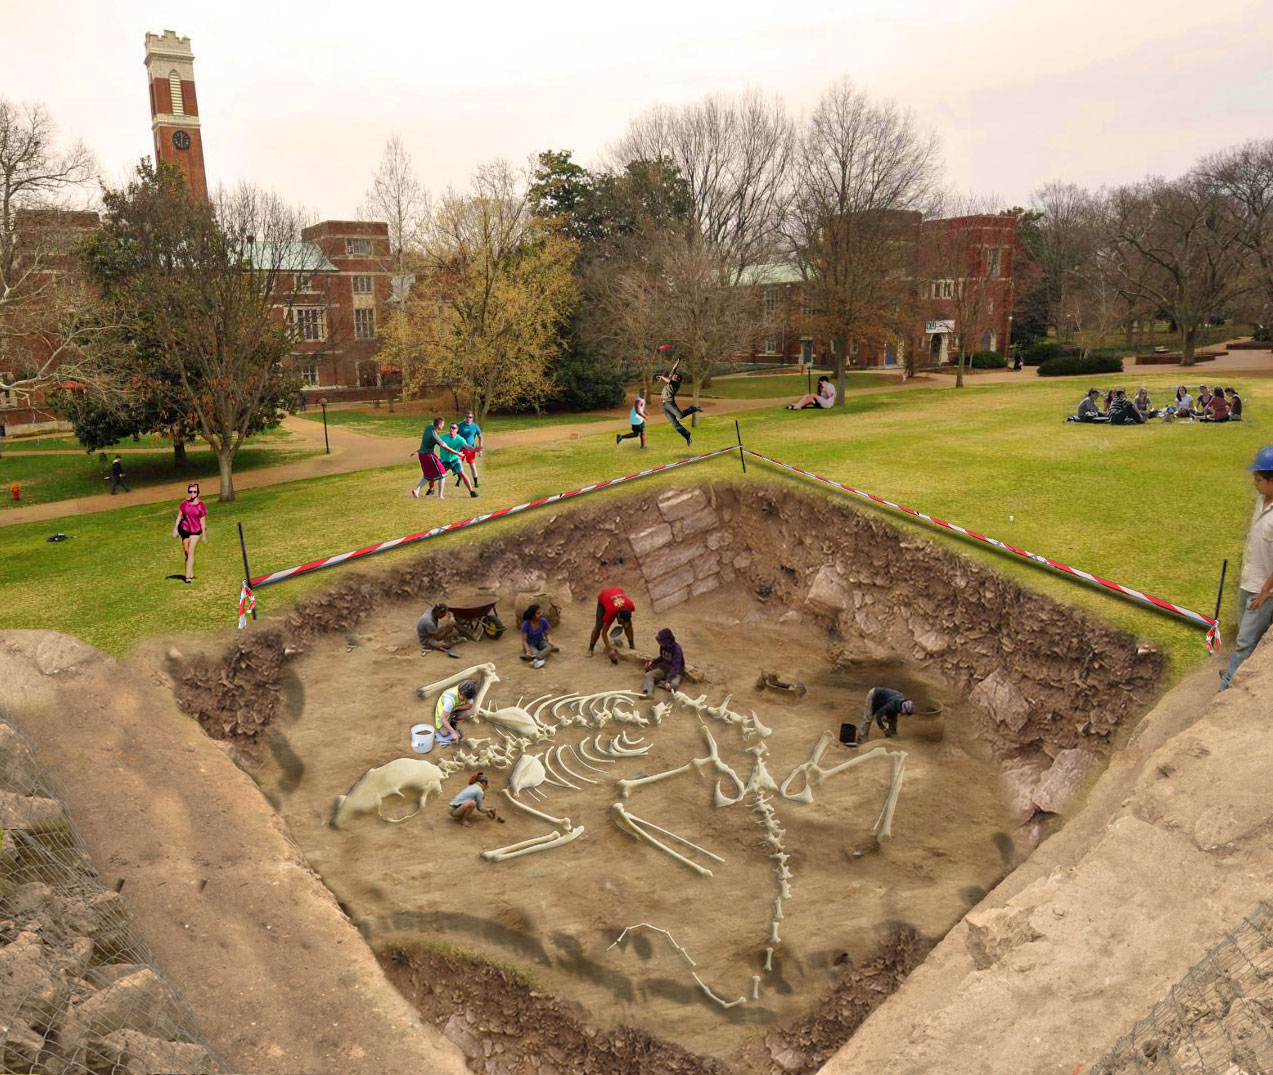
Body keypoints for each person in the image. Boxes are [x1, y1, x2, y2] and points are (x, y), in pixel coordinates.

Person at [1219, 446, 1273, 691]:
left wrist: (1265, 592)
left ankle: (1228, 687)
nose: (1255, 484)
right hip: (1248, 580)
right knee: (1244, 634)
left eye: (1259, 480)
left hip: (1263, 590)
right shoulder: (1262, 500)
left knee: (1244, 641)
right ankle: (1238, 670)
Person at [656, 361, 702, 448]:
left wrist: (662, 377)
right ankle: (687, 435)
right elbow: (674, 369)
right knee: (675, 424)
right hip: (665, 406)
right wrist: (678, 361)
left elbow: (669, 380)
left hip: (670, 403)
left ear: (678, 379)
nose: (674, 375)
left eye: (675, 375)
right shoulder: (671, 378)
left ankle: (692, 408)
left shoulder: (676, 384)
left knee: (680, 415)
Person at [847, 687, 914, 746]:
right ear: (903, 708)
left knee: (893, 720)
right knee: (868, 718)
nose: (904, 715)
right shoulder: (892, 704)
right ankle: (861, 741)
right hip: (874, 695)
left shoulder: (900, 704)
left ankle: (892, 739)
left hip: (884, 700)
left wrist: (889, 721)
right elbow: (878, 714)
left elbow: (893, 718)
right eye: (904, 713)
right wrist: (883, 728)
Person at [170, 483, 207, 584]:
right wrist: (175, 529)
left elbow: (203, 520)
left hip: (195, 531)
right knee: (186, 553)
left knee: (190, 552)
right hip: (185, 530)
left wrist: (204, 535)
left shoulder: (200, 505)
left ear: (198, 493)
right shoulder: (184, 503)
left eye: (194, 491)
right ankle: (190, 572)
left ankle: (188, 577)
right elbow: (179, 516)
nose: (192, 493)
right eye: (190, 491)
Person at [588, 586, 636, 664]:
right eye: (622, 622)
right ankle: (591, 648)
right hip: (604, 596)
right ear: (619, 617)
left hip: (616, 592)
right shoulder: (610, 612)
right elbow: (604, 633)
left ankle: (632, 645)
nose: (622, 624)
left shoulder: (630, 606)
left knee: (629, 625)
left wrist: (626, 624)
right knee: (599, 625)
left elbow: (627, 620)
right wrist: (609, 649)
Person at [439, 423, 478, 498]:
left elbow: (467, 447)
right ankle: (433, 490)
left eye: (453, 428)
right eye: (450, 427)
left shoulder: (460, 439)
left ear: (457, 430)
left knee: (462, 473)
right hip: (444, 460)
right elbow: (433, 442)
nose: (451, 429)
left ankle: (471, 491)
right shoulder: (443, 437)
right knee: (437, 476)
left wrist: (474, 450)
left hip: (455, 459)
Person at [642, 628, 685, 697]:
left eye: (661, 642)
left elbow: (676, 667)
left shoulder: (677, 650)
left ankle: (662, 682)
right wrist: (652, 662)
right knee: (649, 675)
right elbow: (662, 657)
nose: (660, 644)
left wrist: (668, 680)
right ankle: (649, 692)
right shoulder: (663, 647)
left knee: (673, 685)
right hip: (664, 669)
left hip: (674, 672)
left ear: (666, 641)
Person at [435, 678, 479, 745]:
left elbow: (469, 706)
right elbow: (443, 718)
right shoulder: (449, 700)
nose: (464, 700)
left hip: (453, 709)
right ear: (459, 692)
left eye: (467, 699)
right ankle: (449, 724)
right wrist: (453, 733)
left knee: (468, 713)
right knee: (444, 734)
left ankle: (453, 721)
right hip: (444, 713)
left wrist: (456, 708)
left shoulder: (467, 694)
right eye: (463, 698)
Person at [411, 417, 446, 499]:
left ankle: (416, 491)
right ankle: (440, 496)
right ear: (439, 425)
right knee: (443, 474)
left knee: (427, 476)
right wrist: (457, 453)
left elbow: (424, 444)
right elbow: (445, 447)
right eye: (443, 424)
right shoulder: (434, 435)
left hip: (421, 455)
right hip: (429, 456)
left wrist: (417, 451)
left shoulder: (428, 427)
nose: (444, 426)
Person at [455, 410, 483, 489]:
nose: (468, 419)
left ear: (472, 418)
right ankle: (459, 479)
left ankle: (476, 483)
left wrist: (480, 450)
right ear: (465, 417)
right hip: (460, 449)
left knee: (472, 466)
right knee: (458, 465)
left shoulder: (475, 427)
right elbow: (454, 435)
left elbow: (480, 437)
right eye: (467, 417)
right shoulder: (460, 425)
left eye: (470, 417)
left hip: (470, 449)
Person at [520, 603, 553, 668]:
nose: (541, 615)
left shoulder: (543, 621)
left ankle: (535, 659)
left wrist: (549, 640)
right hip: (530, 644)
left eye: (541, 613)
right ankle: (541, 658)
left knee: (549, 647)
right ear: (532, 615)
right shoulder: (525, 624)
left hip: (540, 641)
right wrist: (528, 651)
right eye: (538, 613)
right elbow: (524, 641)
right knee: (535, 653)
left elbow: (547, 634)